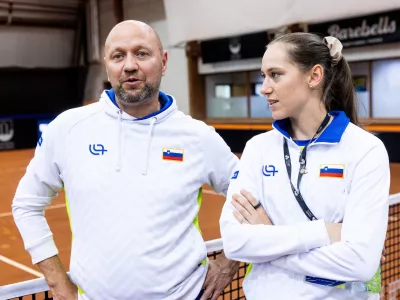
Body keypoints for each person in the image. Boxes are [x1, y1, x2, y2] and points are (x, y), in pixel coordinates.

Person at [12, 20, 239, 300]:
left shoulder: (198, 137)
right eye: (118, 56)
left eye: (142, 53)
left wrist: (231, 262)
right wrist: (57, 281)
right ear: (107, 65)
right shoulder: (67, 128)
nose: (129, 65)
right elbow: (26, 204)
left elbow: (253, 197)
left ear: (164, 61)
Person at [220, 33, 390, 300]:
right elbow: (234, 242)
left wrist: (268, 240)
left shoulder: (365, 150)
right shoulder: (257, 148)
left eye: (275, 74)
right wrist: (323, 232)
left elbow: (360, 262)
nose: (264, 87)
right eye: (263, 75)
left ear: (314, 76)